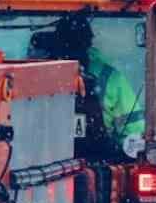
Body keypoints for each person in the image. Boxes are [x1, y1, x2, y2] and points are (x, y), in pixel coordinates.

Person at [46, 16, 145, 155]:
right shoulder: (111, 77)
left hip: (46, 157)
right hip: (96, 157)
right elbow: (134, 131)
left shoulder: (34, 78)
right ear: (89, 42)